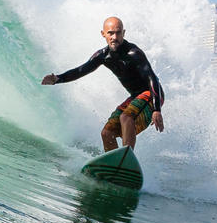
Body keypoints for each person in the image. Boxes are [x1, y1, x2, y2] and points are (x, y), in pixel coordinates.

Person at [42, 16, 165, 152]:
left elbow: (152, 78)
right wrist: (58, 79)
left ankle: (125, 157)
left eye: (118, 33)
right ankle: (113, 163)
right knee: (107, 133)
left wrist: (157, 109)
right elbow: (81, 70)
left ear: (123, 33)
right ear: (103, 34)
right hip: (136, 96)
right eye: (110, 33)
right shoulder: (103, 56)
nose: (114, 37)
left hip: (152, 93)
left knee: (125, 117)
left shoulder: (133, 53)